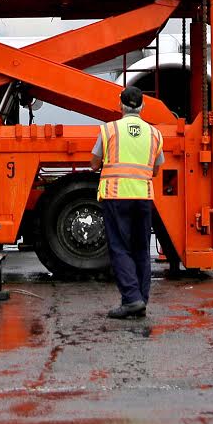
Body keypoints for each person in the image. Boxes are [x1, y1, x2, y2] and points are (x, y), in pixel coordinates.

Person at [93, 86, 164, 319]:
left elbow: (94, 163)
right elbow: (156, 168)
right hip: (142, 197)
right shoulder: (155, 134)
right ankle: (140, 300)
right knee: (141, 249)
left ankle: (132, 299)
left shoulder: (109, 130)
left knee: (120, 248)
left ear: (120, 105)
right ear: (143, 106)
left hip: (116, 196)